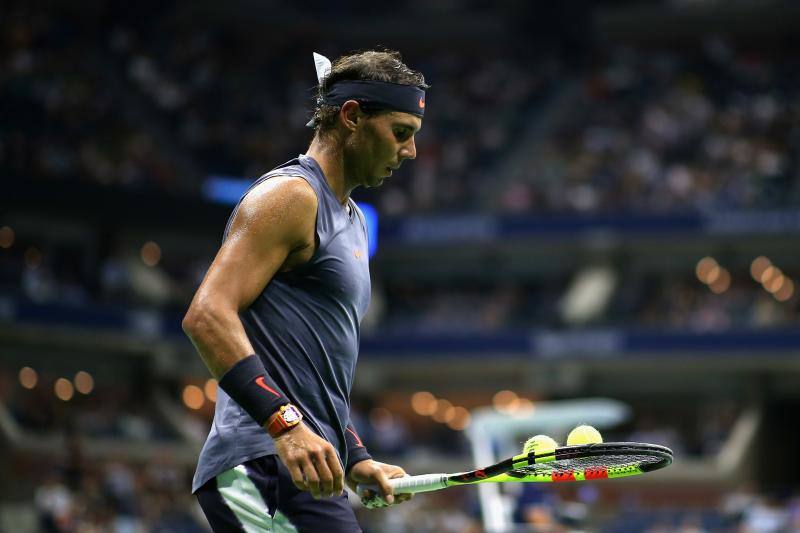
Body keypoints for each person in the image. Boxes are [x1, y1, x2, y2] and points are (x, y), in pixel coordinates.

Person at [182, 49, 427, 532]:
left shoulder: (354, 222)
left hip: (303, 468)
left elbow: (312, 372)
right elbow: (207, 314)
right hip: (263, 464)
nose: (410, 152)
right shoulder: (292, 196)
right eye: (400, 133)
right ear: (353, 116)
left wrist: (353, 455)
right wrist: (285, 425)